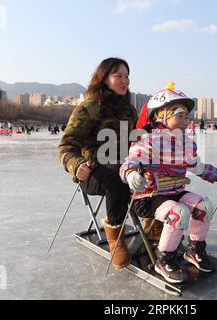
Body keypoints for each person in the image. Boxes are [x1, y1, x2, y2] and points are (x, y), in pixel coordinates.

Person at [120, 83, 217, 283]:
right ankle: (164, 258)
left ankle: (195, 250)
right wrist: (131, 174)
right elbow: (130, 161)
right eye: (179, 115)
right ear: (161, 115)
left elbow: (198, 167)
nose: (185, 120)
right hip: (149, 197)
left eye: (186, 116)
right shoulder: (148, 140)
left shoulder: (185, 143)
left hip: (174, 192)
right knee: (178, 212)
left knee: (204, 207)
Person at [58, 58, 138, 269]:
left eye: (127, 76)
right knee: (117, 174)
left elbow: (138, 141)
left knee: (151, 171)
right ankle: (115, 235)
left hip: (124, 167)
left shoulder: (129, 111)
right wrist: (76, 164)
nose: (125, 81)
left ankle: (155, 225)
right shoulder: (89, 108)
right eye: (118, 76)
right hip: (94, 173)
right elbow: (66, 145)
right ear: (104, 79)